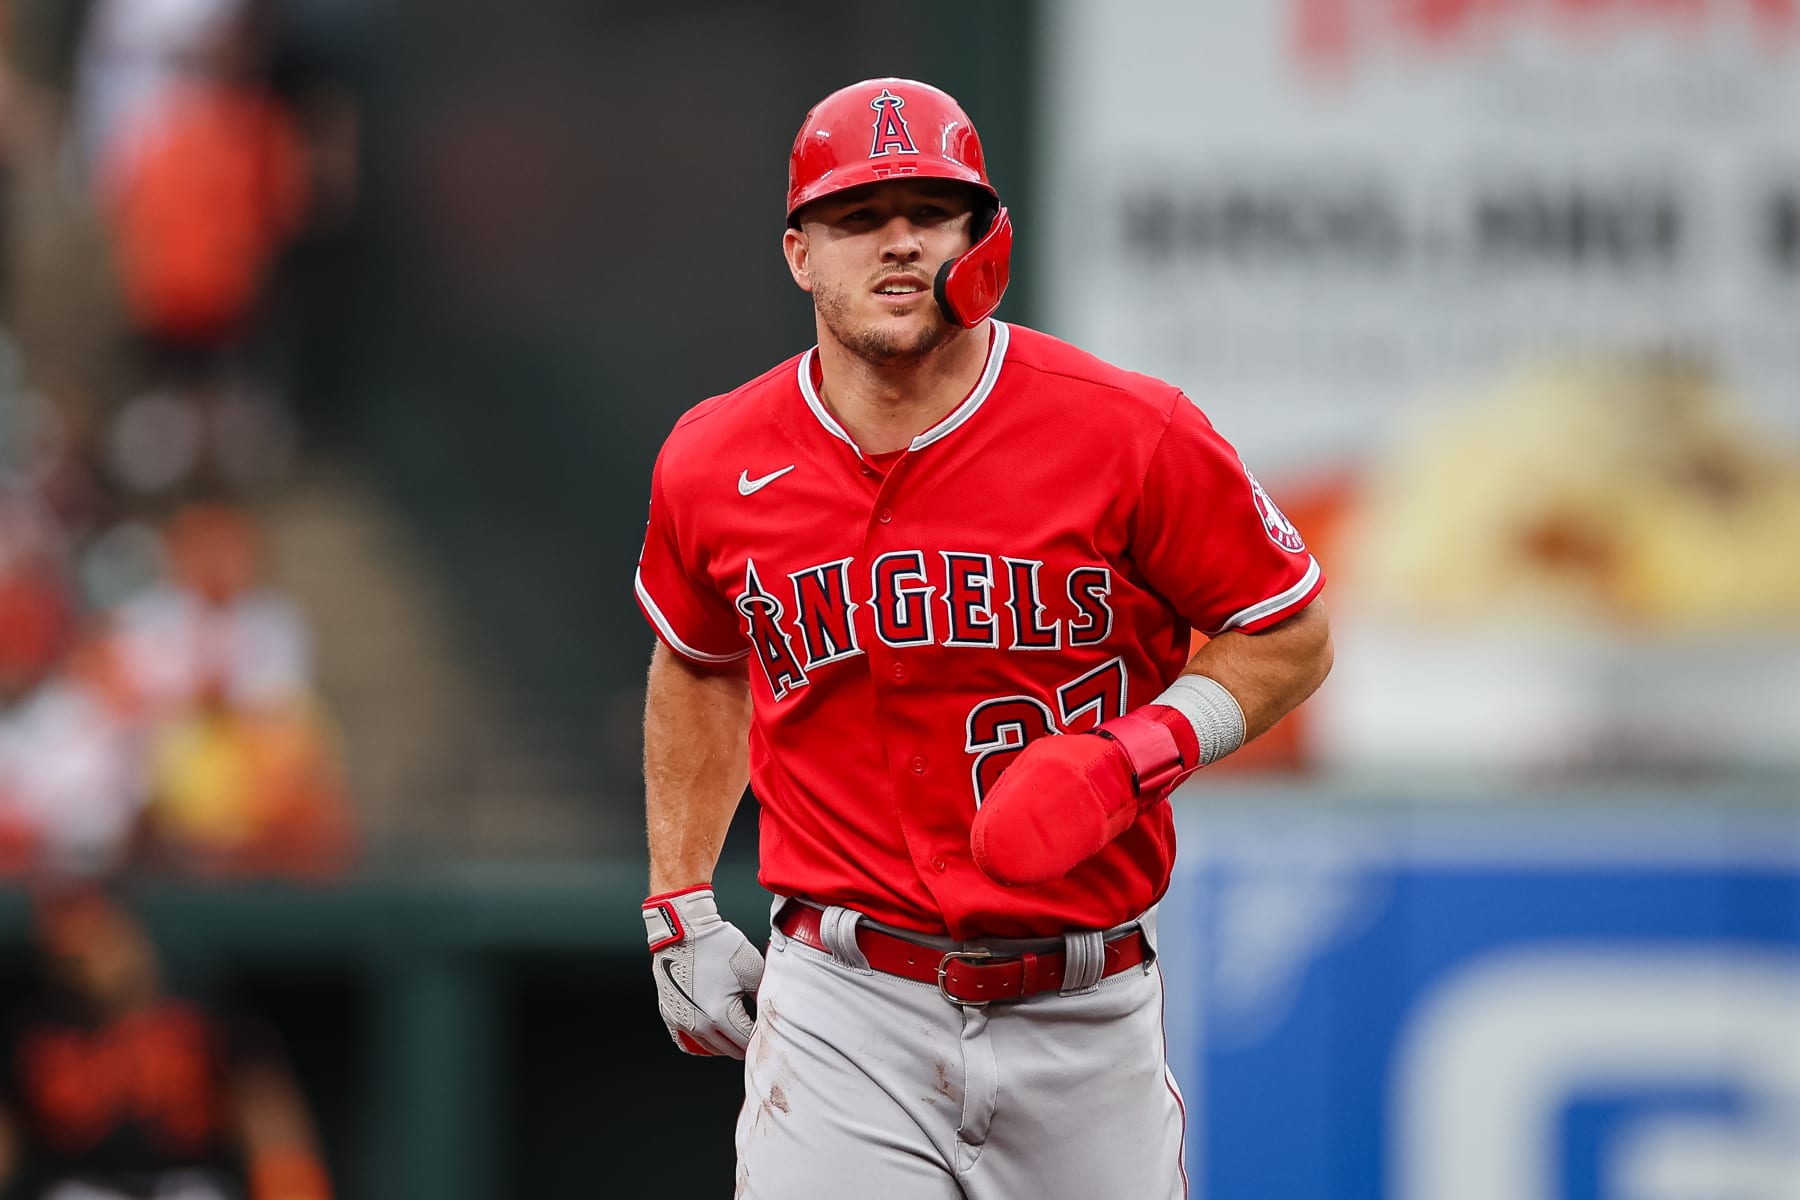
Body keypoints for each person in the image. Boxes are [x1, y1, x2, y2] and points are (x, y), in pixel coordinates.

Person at [634, 77, 1333, 1199]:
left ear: (984, 239)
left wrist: (1139, 753)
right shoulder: (715, 459)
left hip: (1085, 1009)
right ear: (799, 254)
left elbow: (1288, 632)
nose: (899, 241)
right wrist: (679, 900)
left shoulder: (1131, 431)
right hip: (845, 1005)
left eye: (932, 212)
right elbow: (700, 658)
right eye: (858, 216)